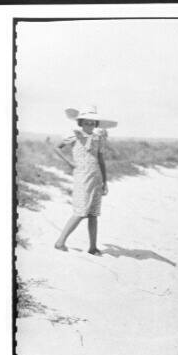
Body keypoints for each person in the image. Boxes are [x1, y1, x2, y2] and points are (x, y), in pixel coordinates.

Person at [54, 105, 117, 255]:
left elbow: (101, 159)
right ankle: (60, 242)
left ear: (95, 124)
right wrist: (69, 163)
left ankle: (93, 247)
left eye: (92, 122)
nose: (89, 125)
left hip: (96, 176)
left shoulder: (98, 138)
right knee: (81, 211)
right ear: (80, 122)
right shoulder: (74, 135)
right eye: (86, 122)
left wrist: (105, 181)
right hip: (82, 176)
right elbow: (57, 148)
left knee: (93, 213)